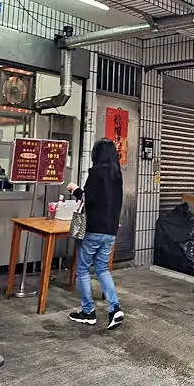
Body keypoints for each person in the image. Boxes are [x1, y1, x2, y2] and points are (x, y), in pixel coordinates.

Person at [66, 138, 125, 329]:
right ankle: (115, 308)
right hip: (110, 231)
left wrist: (75, 189)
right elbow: (116, 202)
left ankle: (88, 312)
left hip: (93, 229)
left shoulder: (96, 173)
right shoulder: (117, 174)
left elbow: (88, 199)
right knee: (102, 269)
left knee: (82, 269)